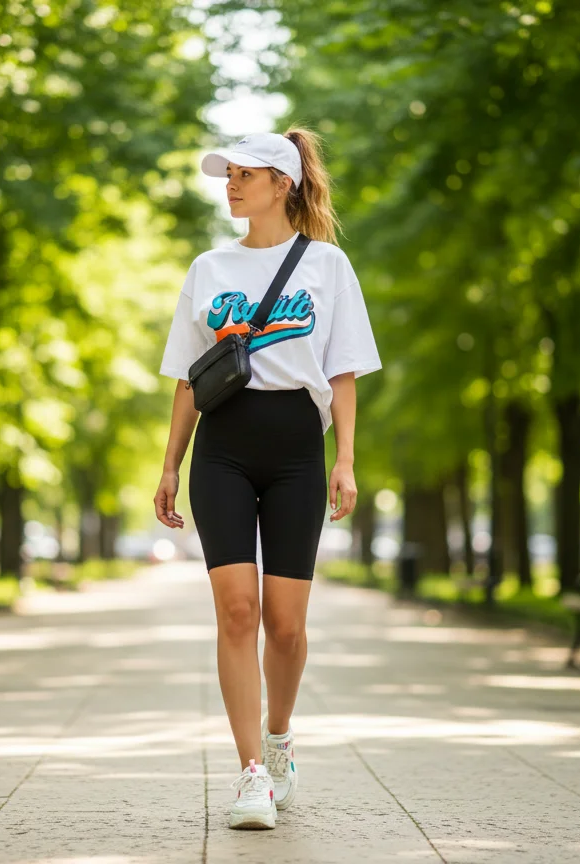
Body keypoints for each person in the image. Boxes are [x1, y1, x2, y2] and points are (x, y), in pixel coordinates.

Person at [154, 128, 381, 830]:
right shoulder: (208, 268)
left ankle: (279, 737)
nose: (230, 184)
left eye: (244, 174)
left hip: (293, 451)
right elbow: (191, 382)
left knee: (285, 627)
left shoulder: (328, 266)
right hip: (221, 448)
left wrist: (344, 458)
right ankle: (251, 773)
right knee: (237, 613)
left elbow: (341, 369)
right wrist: (170, 464)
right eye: (226, 175)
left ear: (283, 183)